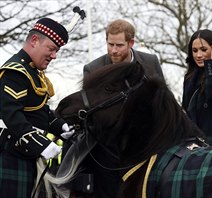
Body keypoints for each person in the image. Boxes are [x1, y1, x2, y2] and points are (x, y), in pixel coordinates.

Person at [79, 19, 165, 198]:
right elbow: (90, 113)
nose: (113, 50)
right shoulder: (92, 69)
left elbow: (162, 100)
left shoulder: (150, 62)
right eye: (110, 44)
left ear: (131, 43)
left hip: (145, 149)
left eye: (119, 45)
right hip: (108, 152)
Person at [0, 17, 75, 197]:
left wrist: (60, 125)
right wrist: (41, 144)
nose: (54, 55)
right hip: (10, 155)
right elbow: (12, 117)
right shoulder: (15, 72)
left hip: (24, 156)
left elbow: (38, 111)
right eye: (51, 49)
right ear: (34, 41)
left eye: (57, 51)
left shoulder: (32, 72)